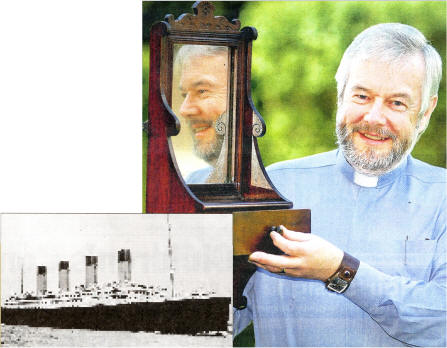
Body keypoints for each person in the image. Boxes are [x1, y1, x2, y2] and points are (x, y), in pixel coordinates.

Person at [234, 23, 446, 347]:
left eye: (397, 103)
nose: (374, 118)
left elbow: (440, 321)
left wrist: (340, 270)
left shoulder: (442, 198)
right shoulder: (269, 190)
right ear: (340, 93)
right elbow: (203, 321)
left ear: (425, 111)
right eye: (362, 96)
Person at [175, 45, 229, 183]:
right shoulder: (193, 183)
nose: (184, 110)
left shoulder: (288, 183)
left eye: (202, 91)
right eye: (184, 94)